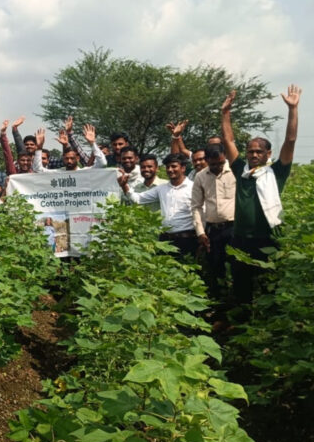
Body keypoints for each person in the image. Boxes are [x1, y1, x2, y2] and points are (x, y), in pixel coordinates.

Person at [221, 85, 300, 303]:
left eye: (259, 151)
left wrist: (292, 109)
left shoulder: (276, 172)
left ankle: (267, 331)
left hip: (267, 239)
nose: (254, 154)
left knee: (268, 286)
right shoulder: (241, 171)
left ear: (268, 154)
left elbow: (290, 141)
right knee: (241, 286)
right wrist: (225, 113)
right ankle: (241, 323)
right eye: (250, 151)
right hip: (241, 239)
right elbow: (228, 141)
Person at [119, 153, 196, 256]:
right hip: (165, 240)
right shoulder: (162, 188)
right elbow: (138, 199)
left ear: (183, 168)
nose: (170, 170)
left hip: (187, 239)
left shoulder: (193, 187)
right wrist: (124, 186)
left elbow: (201, 212)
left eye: (174, 166)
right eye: (168, 167)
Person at [191, 143, 236, 298]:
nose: (217, 167)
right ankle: (220, 306)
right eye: (213, 164)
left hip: (234, 228)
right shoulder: (201, 176)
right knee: (216, 268)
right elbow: (196, 206)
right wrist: (200, 233)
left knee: (238, 267)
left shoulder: (235, 171)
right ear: (207, 161)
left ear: (225, 157)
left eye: (221, 163)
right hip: (213, 230)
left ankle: (238, 306)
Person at [32, 125, 107, 172]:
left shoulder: (83, 172)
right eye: (66, 158)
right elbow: (37, 169)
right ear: (63, 158)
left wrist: (92, 143)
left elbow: (103, 164)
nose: (69, 161)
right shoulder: (58, 173)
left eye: (72, 158)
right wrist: (39, 148)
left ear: (77, 158)